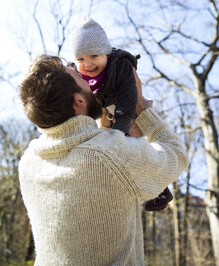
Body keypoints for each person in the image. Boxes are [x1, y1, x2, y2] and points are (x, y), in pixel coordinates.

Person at [18, 54, 188, 266]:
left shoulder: (28, 163)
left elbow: (82, 155)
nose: (88, 80)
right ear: (78, 100)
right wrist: (140, 104)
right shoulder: (108, 155)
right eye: (82, 80)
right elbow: (176, 155)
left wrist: (107, 122)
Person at [70, 17, 173, 212]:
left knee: (137, 145)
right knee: (110, 148)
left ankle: (160, 189)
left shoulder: (120, 65)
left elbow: (129, 94)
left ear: (106, 54)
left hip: (129, 110)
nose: (88, 64)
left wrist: (122, 125)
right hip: (105, 113)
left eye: (94, 56)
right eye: (81, 59)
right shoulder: (78, 73)